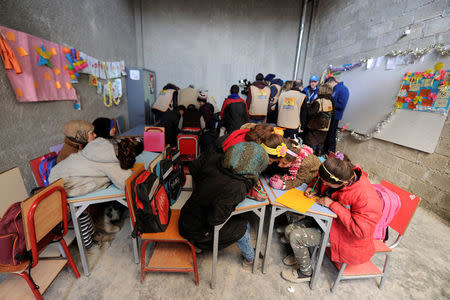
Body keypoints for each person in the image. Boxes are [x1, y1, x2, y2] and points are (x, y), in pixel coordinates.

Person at [280, 152, 382, 283]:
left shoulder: (366, 197)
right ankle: (300, 256)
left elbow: (360, 231)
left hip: (343, 234)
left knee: (296, 236)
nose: (324, 184)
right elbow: (318, 180)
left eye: (326, 183)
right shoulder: (338, 171)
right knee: (289, 229)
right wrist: (314, 188)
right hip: (328, 220)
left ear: (342, 183)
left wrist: (333, 205)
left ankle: (305, 273)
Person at [179, 142, 269, 269]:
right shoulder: (237, 187)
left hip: (188, 215)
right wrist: (236, 202)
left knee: (241, 223)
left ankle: (198, 244)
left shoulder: (216, 159)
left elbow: (195, 169)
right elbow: (215, 220)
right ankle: (251, 261)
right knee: (242, 227)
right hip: (198, 231)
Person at [49, 138, 143, 197]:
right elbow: (125, 183)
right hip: (64, 187)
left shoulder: (100, 142)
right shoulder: (111, 163)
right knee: (104, 180)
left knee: (102, 176)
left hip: (56, 173)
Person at [303, 84, 335, 155]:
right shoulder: (331, 101)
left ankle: (310, 160)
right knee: (320, 146)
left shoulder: (319, 101)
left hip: (315, 128)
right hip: (325, 128)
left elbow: (310, 113)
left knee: (311, 146)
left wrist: (308, 106)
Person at [323, 77, 349, 154]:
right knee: (327, 136)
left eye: (328, 85)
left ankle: (331, 154)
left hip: (335, 117)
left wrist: (328, 103)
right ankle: (324, 153)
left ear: (331, 82)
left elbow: (341, 105)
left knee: (331, 136)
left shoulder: (343, 89)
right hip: (330, 116)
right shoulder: (335, 89)